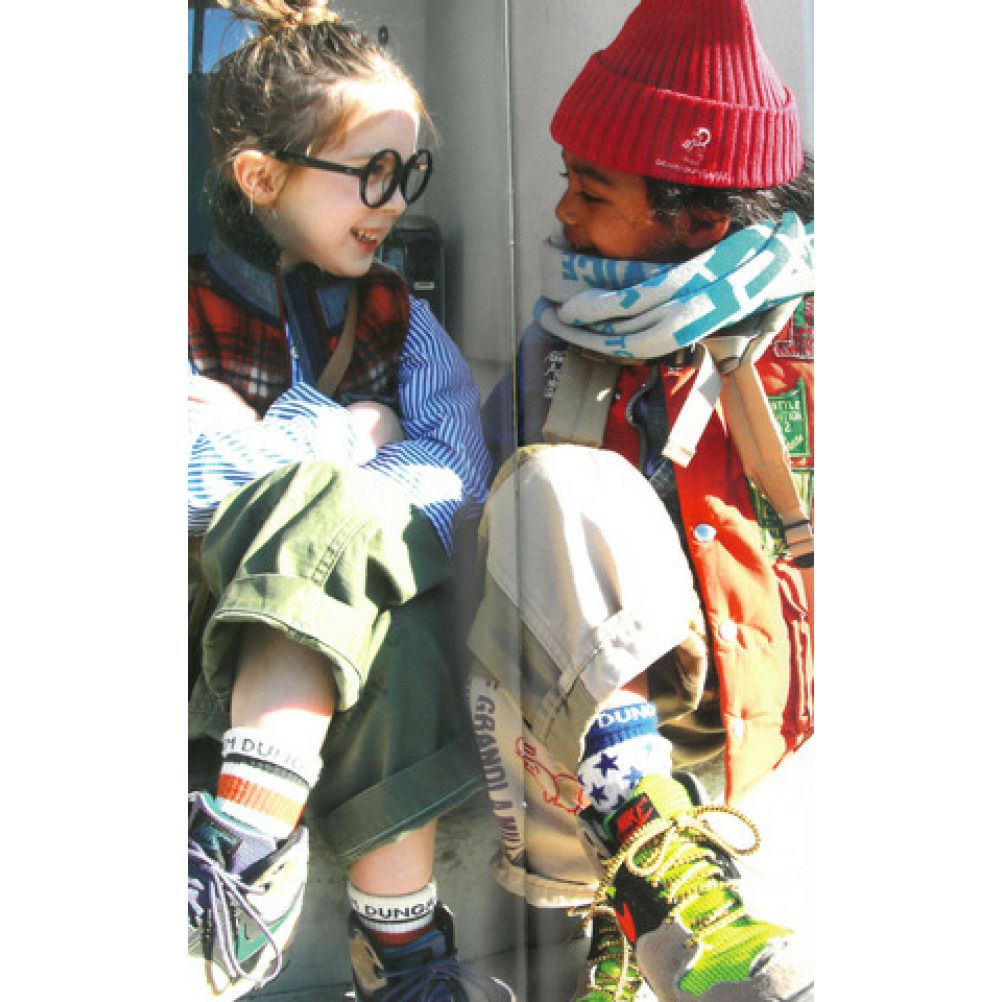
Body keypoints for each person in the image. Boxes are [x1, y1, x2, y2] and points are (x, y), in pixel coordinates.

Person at [467, 1, 814, 999]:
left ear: (699, 219)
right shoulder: (558, 345)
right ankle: (658, 882)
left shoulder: (808, 348)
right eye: (566, 179)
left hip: (746, 692)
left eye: (591, 189)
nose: (564, 212)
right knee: (543, 484)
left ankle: (643, 891)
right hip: (591, 707)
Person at [186, 3, 512, 999]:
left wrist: (272, 447)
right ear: (261, 177)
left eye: (408, 173)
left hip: (355, 638)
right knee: (347, 529)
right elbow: (183, 479)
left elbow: (455, 473)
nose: (394, 200)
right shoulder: (180, 305)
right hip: (216, 635)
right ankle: (402, 953)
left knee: (393, 617)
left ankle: (251, 838)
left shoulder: (398, 317)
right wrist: (352, 436)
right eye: (372, 172)